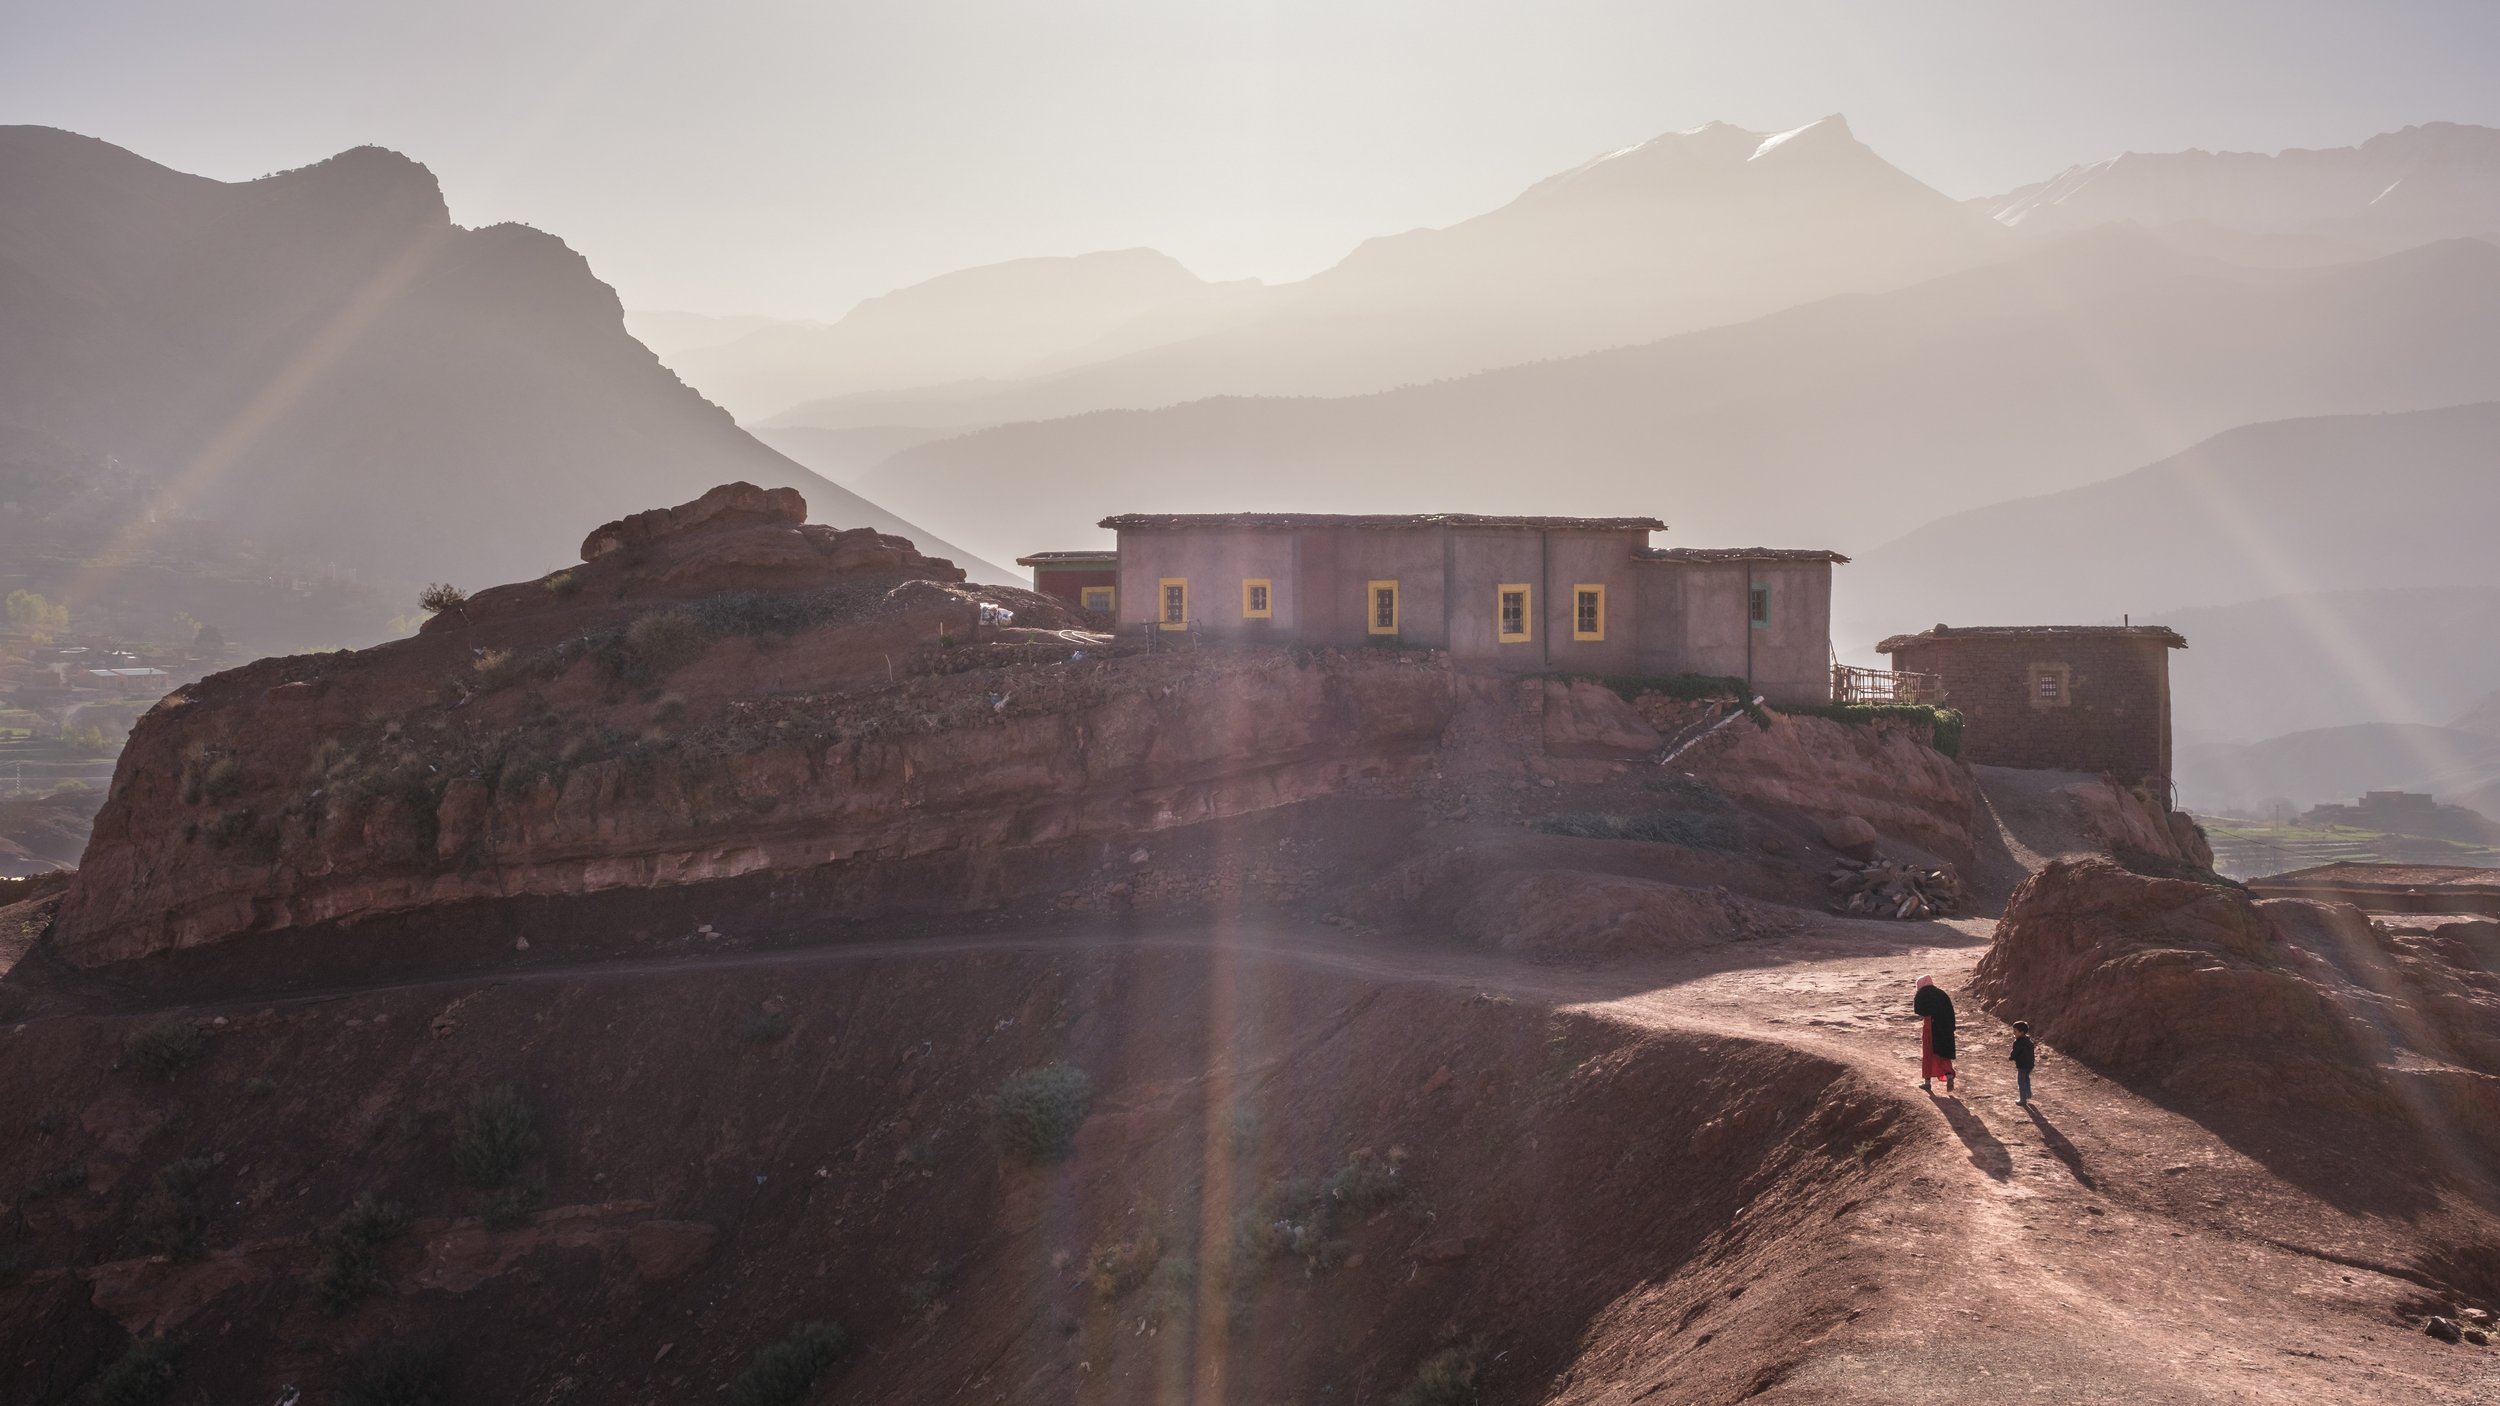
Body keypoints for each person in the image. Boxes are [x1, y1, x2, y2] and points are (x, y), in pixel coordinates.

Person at [1913, 976, 1956, 1093]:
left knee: (1928, 1053)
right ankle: (1949, 1075)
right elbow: (1951, 1012)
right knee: (1942, 1053)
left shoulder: (1922, 994)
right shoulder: (1942, 994)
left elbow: (1918, 1010)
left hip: (1930, 1026)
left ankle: (1927, 1083)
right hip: (1945, 1028)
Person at [2009, 1021, 2036, 1106]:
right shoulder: (2029, 1041)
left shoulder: (2018, 1042)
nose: (2014, 1033)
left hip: (2022, 1065)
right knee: (2026, 1079)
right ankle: (2028, 1094)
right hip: (2030, 1064)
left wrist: (2011, 1057)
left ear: (2021, 1032)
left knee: (2021, 1082)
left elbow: (2015, 1053)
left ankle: (2023, 1099)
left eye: (2015, 1031)